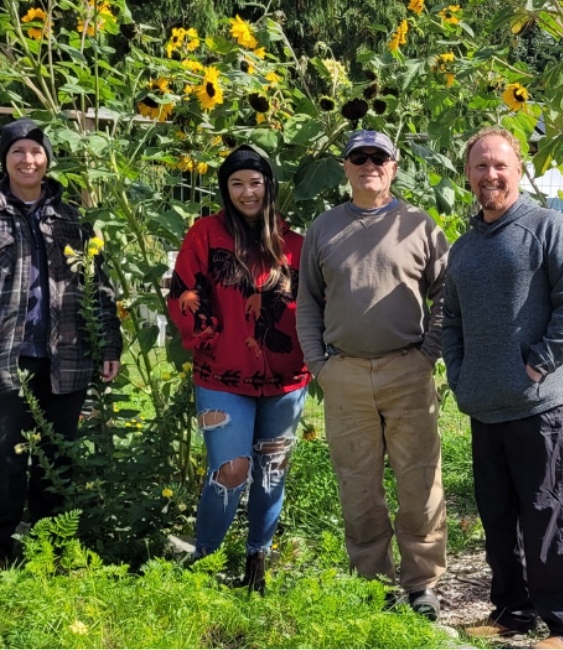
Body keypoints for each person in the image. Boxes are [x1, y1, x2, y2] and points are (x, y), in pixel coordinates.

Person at [441, 127, 563, 649]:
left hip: (540, 405)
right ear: (468, 175)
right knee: (500, 521)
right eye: (480, 166)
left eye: (500, 165)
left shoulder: (546, 227)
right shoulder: (462, 249)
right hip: (484, 408)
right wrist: (460, 379)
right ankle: (512, 611)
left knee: (550, 518)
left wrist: (540, 365)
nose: (490, 175)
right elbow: (452, 322)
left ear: (518, 168)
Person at [296, 130, 449, 620]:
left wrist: (427, 355)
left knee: (420, 483)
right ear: (345, 168)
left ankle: (422, 585)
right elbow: (307, 303)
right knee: (357, 485)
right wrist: (320, 366)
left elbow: (448, 296)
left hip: (408, 370)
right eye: (358, 158)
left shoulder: (419, 226)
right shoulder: (323, 229)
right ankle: (373, 585)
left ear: (394, 166)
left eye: (378, 157)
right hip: (344, 376)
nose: (369, 165)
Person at [0, 118, 123, 567]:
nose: (27, 160)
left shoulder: (71, 220)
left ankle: (49, 549)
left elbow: (98, 285)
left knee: (57, 457)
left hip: (63, 358)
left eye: (36, 151)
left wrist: (109, 345)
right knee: (3, 458)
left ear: (48, 159)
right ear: (4, 159)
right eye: (18, 152)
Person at [167, 144, 310, 593]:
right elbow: (184, 294)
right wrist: (214, 343)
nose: (247, 192)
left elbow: (313, 307)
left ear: (269, 185)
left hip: (286, 379)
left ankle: (257, 562)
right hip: (222, 377)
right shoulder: (205, 235)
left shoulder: (295, 245)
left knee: (271, 473)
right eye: (236, 184)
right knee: (231, 469)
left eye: (255, 182)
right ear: (224, 189)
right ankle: (205, 559)